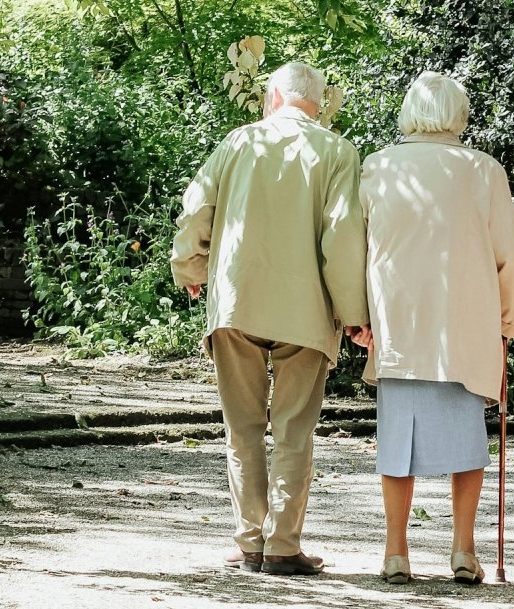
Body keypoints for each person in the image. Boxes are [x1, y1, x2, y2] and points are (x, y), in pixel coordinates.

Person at [170, 61, 370, 576]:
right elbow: (342, 238)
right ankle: (282, 545)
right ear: (318, 104)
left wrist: (190, 266)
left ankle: (249, 542)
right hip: (305, 310)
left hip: (237, 302)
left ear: (274, 97)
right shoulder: (338, 152)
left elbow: (196, 209)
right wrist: (354, 314)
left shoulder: (238, 142)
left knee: (242, 428)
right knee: (293, 431)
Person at [355, 71, 514, 585]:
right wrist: (510, 319)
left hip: (399, 325)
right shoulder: (483, 171)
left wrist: (358, 317)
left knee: (396, 444)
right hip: (465, 327)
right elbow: (512, 259)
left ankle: (395, 552)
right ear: (460, 115)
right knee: (467, 443)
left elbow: (355, 249)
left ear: (409, 113)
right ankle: (463, 549)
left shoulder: (378, 167)